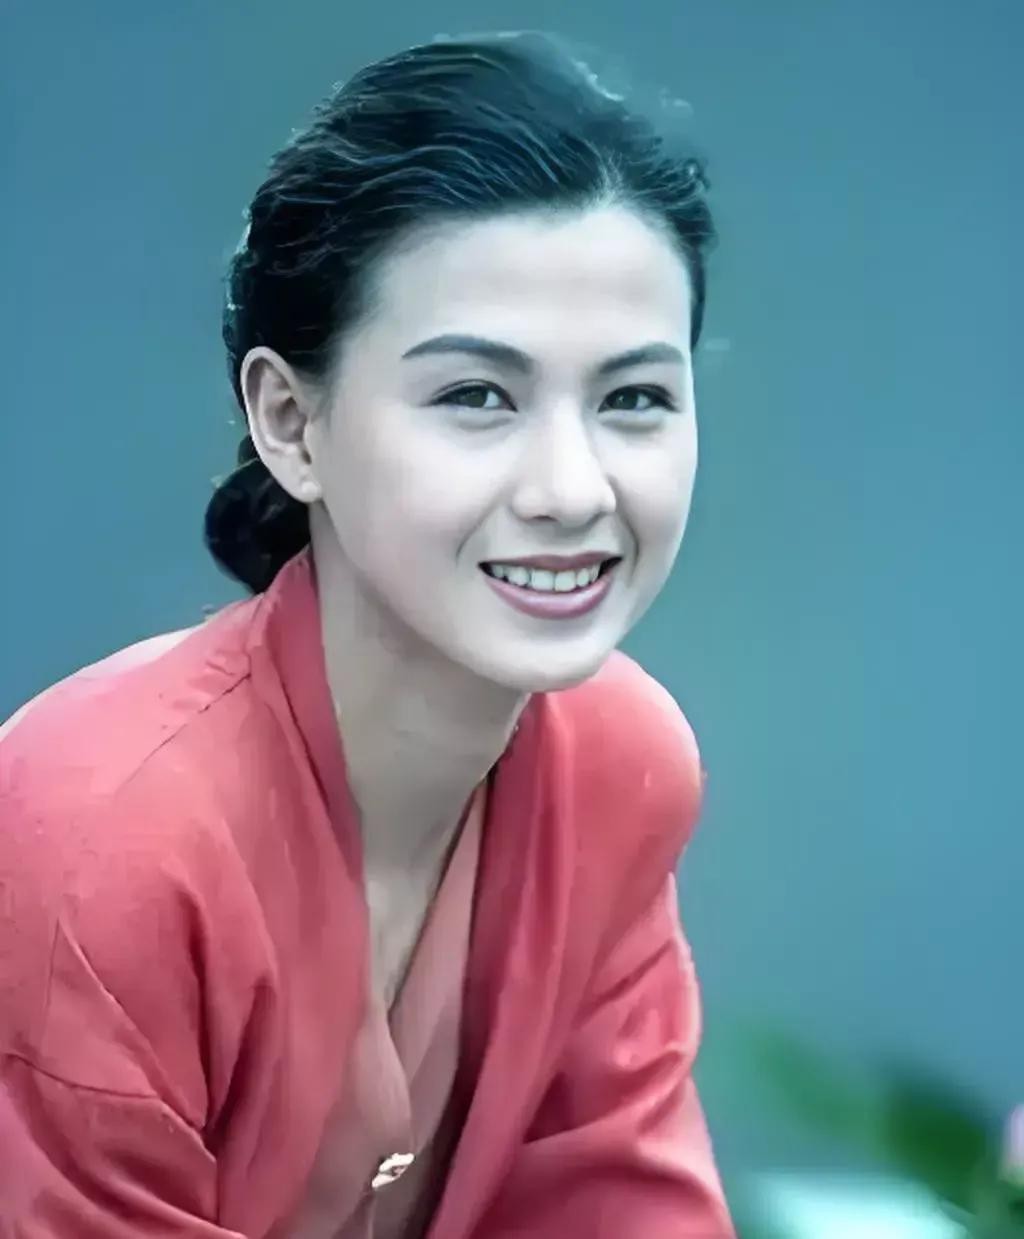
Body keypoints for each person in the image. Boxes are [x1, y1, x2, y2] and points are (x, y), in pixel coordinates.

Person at [0, 30, 734, 1238]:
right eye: (475, 396)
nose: (572, 488)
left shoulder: (618, 765)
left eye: (634, 398)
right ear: (291, 422)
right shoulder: (107, 841)